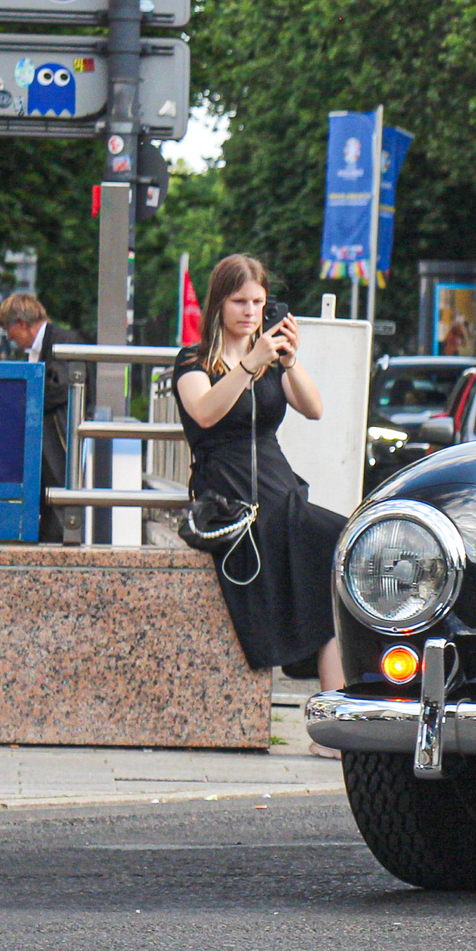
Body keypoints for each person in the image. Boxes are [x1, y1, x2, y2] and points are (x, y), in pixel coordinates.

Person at [173, 256, 347, 752]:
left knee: (339, 554)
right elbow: (205, 413)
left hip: (278, 486)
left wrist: (287, 360)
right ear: (219, 303)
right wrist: (250, 363)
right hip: (227, 490)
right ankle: (329, 721)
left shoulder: (270, 356)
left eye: (258, 303)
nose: (250, 312)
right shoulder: (194, 361)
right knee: (326, 548)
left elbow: (314, 408)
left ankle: (331, 723)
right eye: (240, 302)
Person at [0, 292, 81, 544]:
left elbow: (60, 389)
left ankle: (56, 540)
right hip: (49, 437)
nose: (9, 337)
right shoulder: (48, 344)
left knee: (55, 489)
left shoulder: (65, 342)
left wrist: (23, 395)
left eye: (8, 329)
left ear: (22, 324)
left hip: (57, 437)